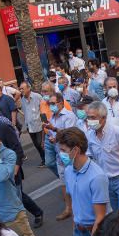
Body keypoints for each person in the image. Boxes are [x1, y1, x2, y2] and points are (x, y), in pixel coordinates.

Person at [85, 101, 119, 211]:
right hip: (105, 180)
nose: (89, 121)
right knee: (114, 211)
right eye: (88, 117)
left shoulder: (118, 132)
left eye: (93, 117)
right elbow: (91, 156)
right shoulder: (90, 135)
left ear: (103, 117)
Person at [42, 90, 78, 222]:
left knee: (76, 182)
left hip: (71, 155)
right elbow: (52, 134)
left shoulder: (69, 116)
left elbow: (70, 134)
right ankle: (68, 208)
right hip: (59, 155)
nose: (50, 105)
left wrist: (55, 131)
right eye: (49, 103)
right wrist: (50, 135)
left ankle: (81, 206)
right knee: (63, 182)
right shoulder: (52, 117)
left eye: (53, 103)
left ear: (61, 103)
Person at [20, 81, 46, 165]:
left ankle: (47, 159)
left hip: (39, 125)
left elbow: (43, 109)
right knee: (36, 145)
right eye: (20, 89)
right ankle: (43, 159)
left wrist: (44, 122)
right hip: (30, 126)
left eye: (22, 89)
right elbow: (25, 112)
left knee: (40, 143)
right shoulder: (22, 99)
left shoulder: (37, 97)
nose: (21, 90)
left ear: (28, 88)